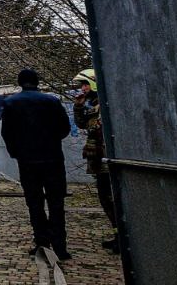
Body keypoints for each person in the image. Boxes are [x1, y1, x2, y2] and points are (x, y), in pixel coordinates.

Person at [1, 68, 72, 260]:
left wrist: (16, 153)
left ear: (20, 82)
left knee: (35, 203)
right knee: (56, 203)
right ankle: (60, 246)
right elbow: (65, 128)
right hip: (53, 159)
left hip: (28, 161)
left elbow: (7, 133)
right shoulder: (53, 101)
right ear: (37, 82)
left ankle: (42, 243)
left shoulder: (10, 103)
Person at [72, 68, 118, 253]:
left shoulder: (104, 107)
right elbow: (82, 124)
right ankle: (117, 235)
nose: (82, 88)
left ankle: (121, 237)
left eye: (84, 84)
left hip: (105, 160)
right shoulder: (93, 105)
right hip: (98, 160)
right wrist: (78, 106)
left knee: (109, 198)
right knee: (105, 199)